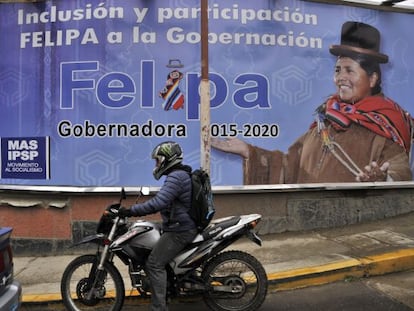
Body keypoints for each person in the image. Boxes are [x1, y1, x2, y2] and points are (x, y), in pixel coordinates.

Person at [212, 21, 413, 185]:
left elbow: (400, 170)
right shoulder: (324, 123)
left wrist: (383, 179)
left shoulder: (387, 124)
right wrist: (250, 152)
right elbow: (289, 166)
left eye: (349, 71)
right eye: (337, 70)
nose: (340, 78)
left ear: (372, 79)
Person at [118, 141, 197, 311]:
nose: (156, 164)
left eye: (158, 160)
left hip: (180, 230)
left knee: (154, 263)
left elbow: (158, 203)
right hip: (177, 225)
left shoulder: (176, 177)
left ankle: (159, 308)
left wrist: (130, 211)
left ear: (167, 159)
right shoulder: (178, 175)